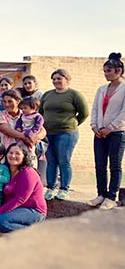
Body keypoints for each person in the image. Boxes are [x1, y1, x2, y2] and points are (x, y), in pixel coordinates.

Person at [0, 142, 47, 239]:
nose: (13, 156)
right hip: (13, 209)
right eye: (10, 153)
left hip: (33, 211)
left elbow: (20, 199)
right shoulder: (4, 171)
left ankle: (34, 233)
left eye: (17, 154)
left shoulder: (28, 173)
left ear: (24, 156)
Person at [40, 68, 89, 201]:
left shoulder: (74, 95)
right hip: (48, 134)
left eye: (59, 78)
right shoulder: (47, 95)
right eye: (54, 79)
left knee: (64, 160)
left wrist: (71, 124)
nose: (56, 81)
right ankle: (50, 188)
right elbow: (40, 113)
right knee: (51, 161)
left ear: (67, 80)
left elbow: (84, 113)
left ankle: (64, 189)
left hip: (67, 133)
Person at [89, 53, 125, 210]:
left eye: (108, 70)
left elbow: (124, 112)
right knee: (100, 164)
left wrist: (110, 128)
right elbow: (95, 108)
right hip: (99, 133)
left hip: (117, 133)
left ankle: (112, 196)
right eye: (104, 71)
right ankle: (101, 194)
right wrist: (95, 126)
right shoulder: (101, 89)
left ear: (119, 70)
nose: (106, 74)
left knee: (115, 165)